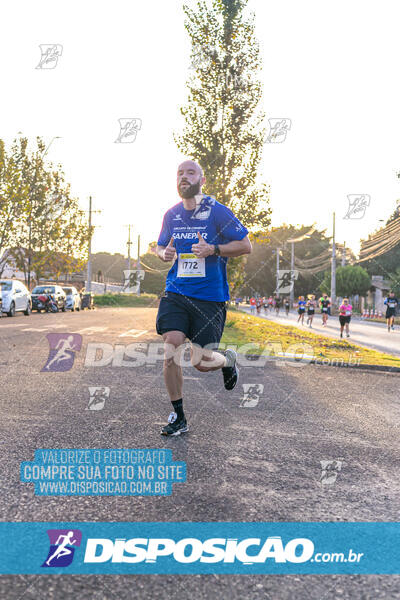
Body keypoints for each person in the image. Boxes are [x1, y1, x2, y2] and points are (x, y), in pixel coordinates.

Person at [155, 159, 252, 436]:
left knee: (200, 361)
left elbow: (245, 245)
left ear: (202, 179)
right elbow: (160, 247)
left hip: (209, 298)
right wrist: (164, 254)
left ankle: (227, 361)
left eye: (190, 172)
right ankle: (179, 417)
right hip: (176, 291)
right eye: (180, 173)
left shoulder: (217, 212)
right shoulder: (171, 215)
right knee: (171, 348)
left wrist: (214, 249)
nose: (184, 177)